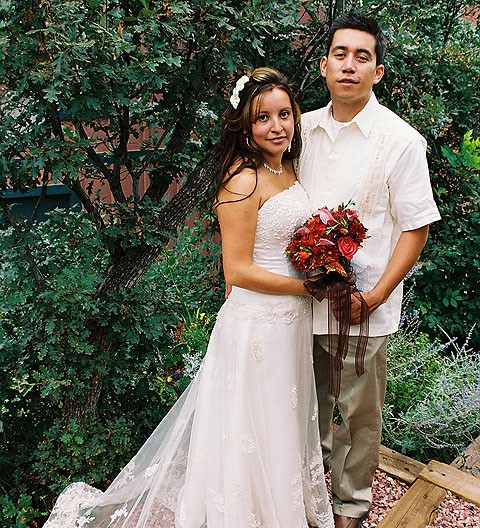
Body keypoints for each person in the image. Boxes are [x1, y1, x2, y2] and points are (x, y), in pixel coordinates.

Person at [44, 67, 334, 528]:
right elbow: (236, 271)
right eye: (263, 119)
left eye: (284, 114)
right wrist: (309, 287)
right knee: (250, 424)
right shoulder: (242, 181)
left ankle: (278, 506)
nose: (277, 126)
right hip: (258, 322)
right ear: (244, 125)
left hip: (291, 320)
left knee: (279, 419)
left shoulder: (288, 168)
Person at [296, 12, 441, 528]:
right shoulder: (302, 130)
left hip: (362, 308)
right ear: (324, 65)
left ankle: (350, 508)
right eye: (341, 54)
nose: (350, 66)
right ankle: (307, 501)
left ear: (378, 71)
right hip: (297, 305)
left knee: (359, 419)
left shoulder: (399, 140)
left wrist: (375, 296)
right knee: (304, 412)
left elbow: (416, 227)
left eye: (363, 57)